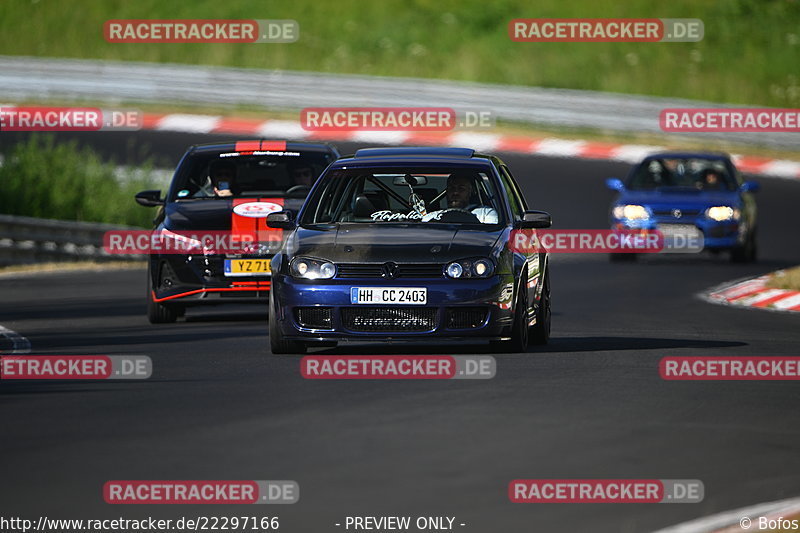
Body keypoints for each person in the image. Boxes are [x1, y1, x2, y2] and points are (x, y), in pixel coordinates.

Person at [422, 172, 498, 223]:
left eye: (461, 189)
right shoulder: (432, 217)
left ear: (471, 192)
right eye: (452, 188)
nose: (455, 192)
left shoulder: (486, 214)